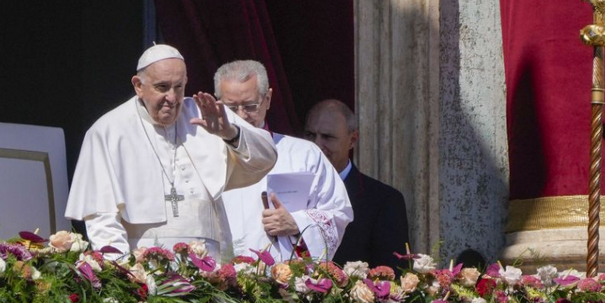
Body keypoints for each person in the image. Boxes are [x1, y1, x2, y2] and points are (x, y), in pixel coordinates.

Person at [65, 45, 277, 261]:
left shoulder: (205, 115)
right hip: (145, 272)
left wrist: (230, 133)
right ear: (139, 86)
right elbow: (102, 217)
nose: (173, 98)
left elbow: (266, 159)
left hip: (210, 268)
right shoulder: (108, 131)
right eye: (162, 87)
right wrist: (123, 276)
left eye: (179, 87)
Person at [217, 61, 352, 261]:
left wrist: (297, 223)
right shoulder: (204, 155)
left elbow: (338, 214)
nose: (241, 116)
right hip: (219, 280)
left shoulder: (305, 154)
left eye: (250, 106)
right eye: (231, 108)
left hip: (283, 283)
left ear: (268, 99)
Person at [305, 100, 409, 270]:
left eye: (327, 137)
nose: (316, 145)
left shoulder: (384, 200)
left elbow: (391, 276)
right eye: (310, 135)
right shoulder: (290, 191)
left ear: (352, 140)